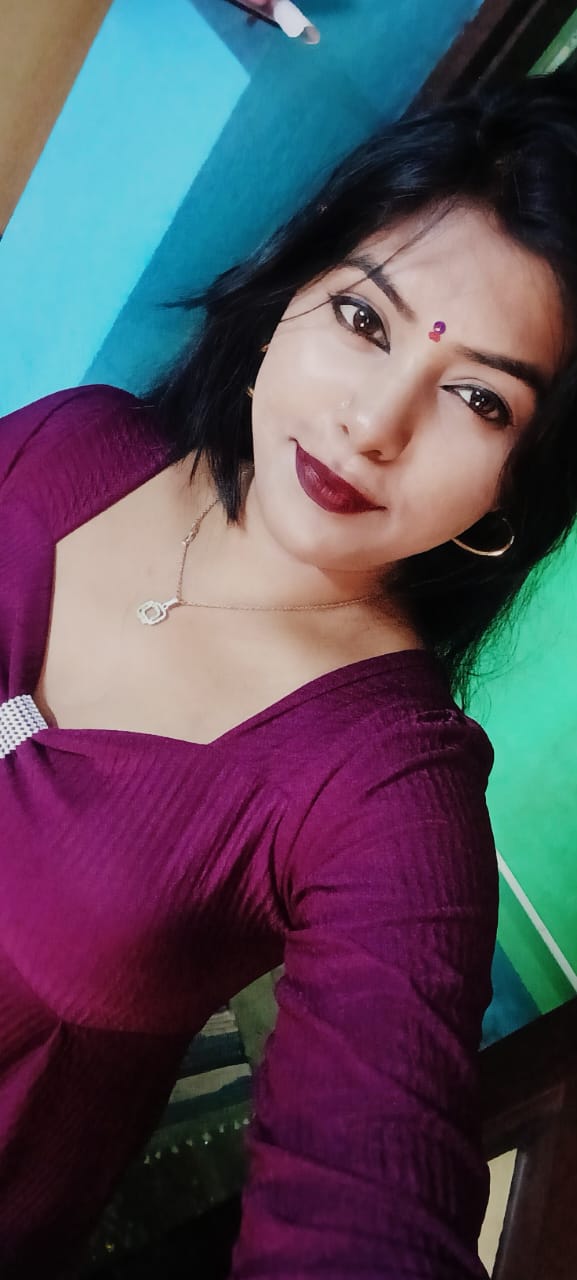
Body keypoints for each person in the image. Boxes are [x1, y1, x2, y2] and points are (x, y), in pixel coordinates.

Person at [1, 69, 577, 1279]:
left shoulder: (385, 792)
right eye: (366, 319)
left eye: (477, 397)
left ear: (518, 480)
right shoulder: (72, 438)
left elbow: (368, 1203)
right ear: (291, 289)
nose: (373, 422)